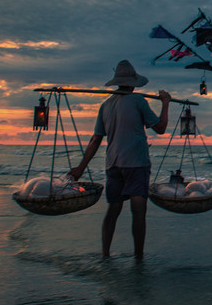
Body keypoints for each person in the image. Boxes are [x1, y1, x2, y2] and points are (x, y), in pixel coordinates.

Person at [68, 60, 171, 259]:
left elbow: (96, 139)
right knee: (138, 209)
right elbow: (160, 128)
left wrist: (81, 167)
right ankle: (138, 257)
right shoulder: (138, 101)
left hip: (113, 164)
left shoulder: (106, 105)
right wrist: (165, 103)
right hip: (136, 162)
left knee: (113, 209)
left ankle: (105, 254)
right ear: (133, 83)